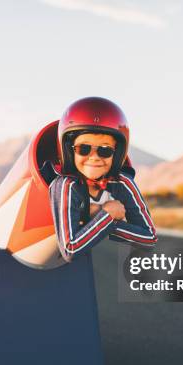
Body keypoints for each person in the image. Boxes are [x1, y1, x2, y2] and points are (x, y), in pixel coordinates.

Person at [48, 97, 158, 263]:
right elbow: (70, 248)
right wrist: (107, 214)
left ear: (118, 152)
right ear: (69, 151)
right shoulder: (65, 185)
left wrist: (102, 218)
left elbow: (149, 238)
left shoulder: (122, 183)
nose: (94, 157)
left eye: (105, 150)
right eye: (83, 149)